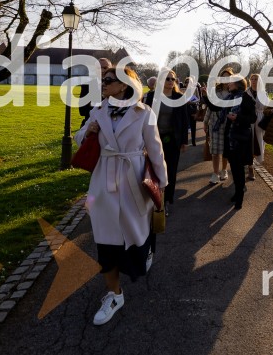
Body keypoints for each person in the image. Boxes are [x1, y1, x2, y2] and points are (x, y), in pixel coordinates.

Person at [73, 66, 168, 326]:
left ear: (124, 85)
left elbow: (156, 150)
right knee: (106, 242)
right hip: (103, 182)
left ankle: (144, 253)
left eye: (108, 80)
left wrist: (162, 184)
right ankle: (114, 295)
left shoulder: (144, 112)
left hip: (133, 180)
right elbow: (78, 138)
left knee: (137, 234)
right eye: (103, 80)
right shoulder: (98, 110)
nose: (102, 83)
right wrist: (88, 131)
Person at [202, 74, 256, 210]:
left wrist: (238, 118)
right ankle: (237, 193)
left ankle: (239, 198)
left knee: (239, 169)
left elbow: (252, 118)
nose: (228, 85)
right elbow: (215, 108)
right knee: (235, 168)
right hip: (230, 138)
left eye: (230, 83)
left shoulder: (245, 98)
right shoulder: (229, 98)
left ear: (238, 84)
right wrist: (205, 96)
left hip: (240, 139)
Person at [144, 70, 189, 214]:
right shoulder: (152, 96)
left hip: (172, 139)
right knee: (153, 168)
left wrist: (184, 140)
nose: (170, 81)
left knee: (171, 170)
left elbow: (184, 120)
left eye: (173, 79)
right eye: (167, 78)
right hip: (154, 138)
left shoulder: (179, 97)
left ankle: (167, 199)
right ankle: (153, 196)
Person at [203, 68, 233, 184]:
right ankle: (215, 173)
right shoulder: (214, 91)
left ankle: (224, 170)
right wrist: (205, 122)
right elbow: (210, 108)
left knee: (225, 150)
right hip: (215, 124)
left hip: (228, 125)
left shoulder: (233, 92)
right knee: (215, 151)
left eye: (228, 77)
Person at [78, 57, 112, 127]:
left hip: (111, 125)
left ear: (111, 69)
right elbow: (82, 111)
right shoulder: (87, 85)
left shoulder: (117, 85)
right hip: (91, 124)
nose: (102, 70)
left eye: (105, 68)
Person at [246, 73, 266, 180]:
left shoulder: (263, 93)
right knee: (250, 143)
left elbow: (266, 108)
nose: (254, 81)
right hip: (249, 120)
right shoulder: (247, 92)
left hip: (259, 120)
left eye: (256, 79)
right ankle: (250, 168)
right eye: (252, 79)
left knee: (258, 142)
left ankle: (254, 162)